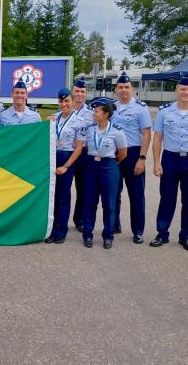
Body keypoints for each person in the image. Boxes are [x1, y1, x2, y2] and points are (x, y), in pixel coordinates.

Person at [150, 74, 188, 252]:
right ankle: (162, 233)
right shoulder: (164, 112)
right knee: (167, 199)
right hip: (170, 159)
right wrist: (156, 162)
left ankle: (186, 235)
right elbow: (158, 138)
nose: (186, 92)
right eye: (183, 89)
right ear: (176, 90)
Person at [111, 71, 152, 243]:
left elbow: (147, 134)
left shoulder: (140, 108)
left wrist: (142, 158)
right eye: (120, 87)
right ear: (116, 89)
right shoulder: (111, 107)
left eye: (126, 87)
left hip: (134, 153)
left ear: (132, 89)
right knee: (113, 193)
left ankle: (138, 230)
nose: (123, 90)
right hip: (114, 154)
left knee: (136, 195)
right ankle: (114, 225)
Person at [81, 98, 127, 249]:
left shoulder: (117, 131)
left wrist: (111, 164)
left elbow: (122, 153)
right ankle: (87, 233)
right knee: (89, 202)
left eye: (96, 111)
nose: (94, 114)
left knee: (109, 203)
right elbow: (86, 147)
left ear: (106, 114)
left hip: (109, 166)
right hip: (91, 166)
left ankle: (108, 235)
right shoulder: (90, 129)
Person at [45, 88, 85, 244]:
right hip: (52, 157)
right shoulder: (53, 118)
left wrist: (67, 166)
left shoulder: (79, 121)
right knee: (52, 196)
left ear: (72, 101)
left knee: (63, 196)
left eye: (67, 101)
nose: (64, 104)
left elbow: (79, 148)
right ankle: (51, 229)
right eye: (61, 101)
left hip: (67, 158)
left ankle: (61, 230)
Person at [71, 77, 94, 233]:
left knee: (83, 189)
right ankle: (58, 219)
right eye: (77, 91)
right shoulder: (63, 109)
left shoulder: (92, 113)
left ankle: (79, 220)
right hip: (66, 153)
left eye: (82, 91)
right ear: (72, 92)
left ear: (86, 93)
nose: (79, 94)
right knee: (62, 189)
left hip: (84, 154)